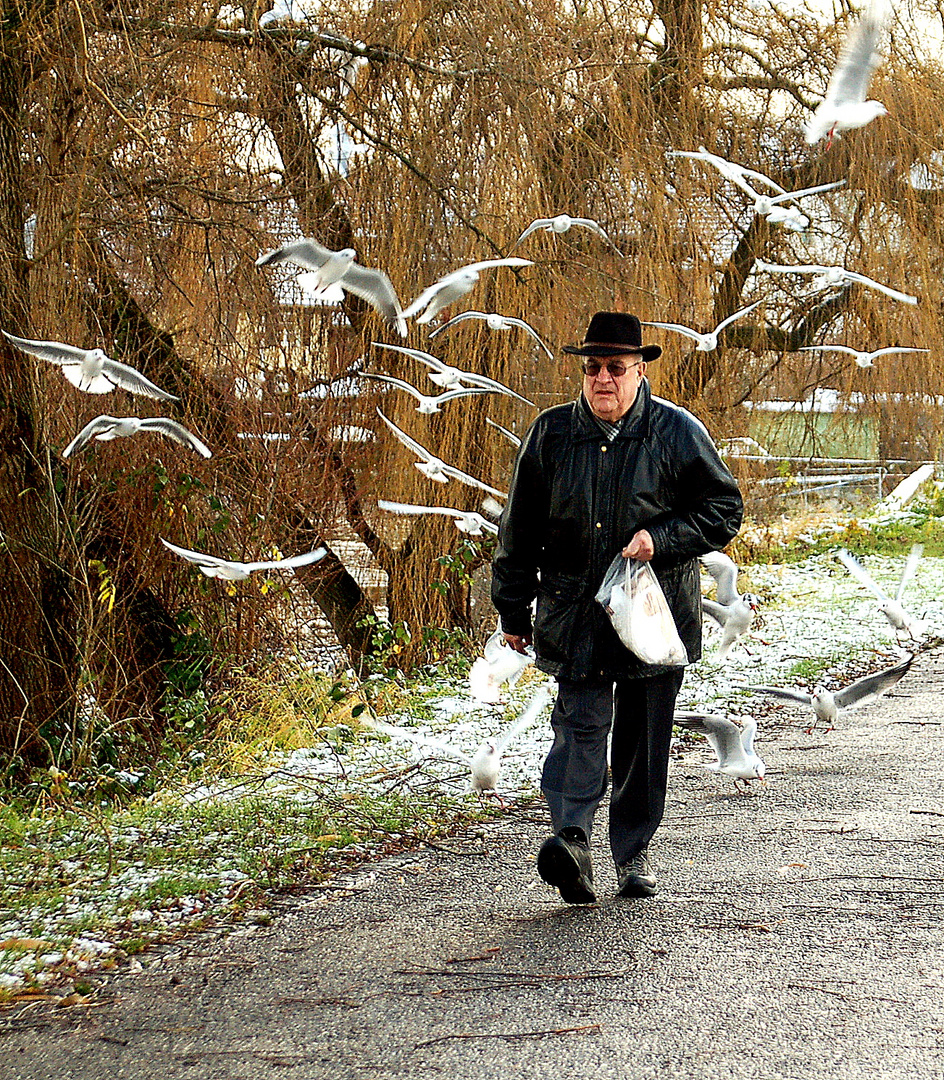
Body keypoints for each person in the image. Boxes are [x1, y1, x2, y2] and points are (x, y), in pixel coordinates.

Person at [491, 311, 743, 903]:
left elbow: (723, 509)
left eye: (615, 367)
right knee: (577, 727)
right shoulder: (551, 434)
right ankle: (571, 842)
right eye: (593, 367)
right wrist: (512, 610)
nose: (603, 378)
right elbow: (519, 529)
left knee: (642, 735)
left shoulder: (676, 432)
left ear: (637, 371)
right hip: (573, 609)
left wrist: (662, 539)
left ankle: (633, 854)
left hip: (654, 616)